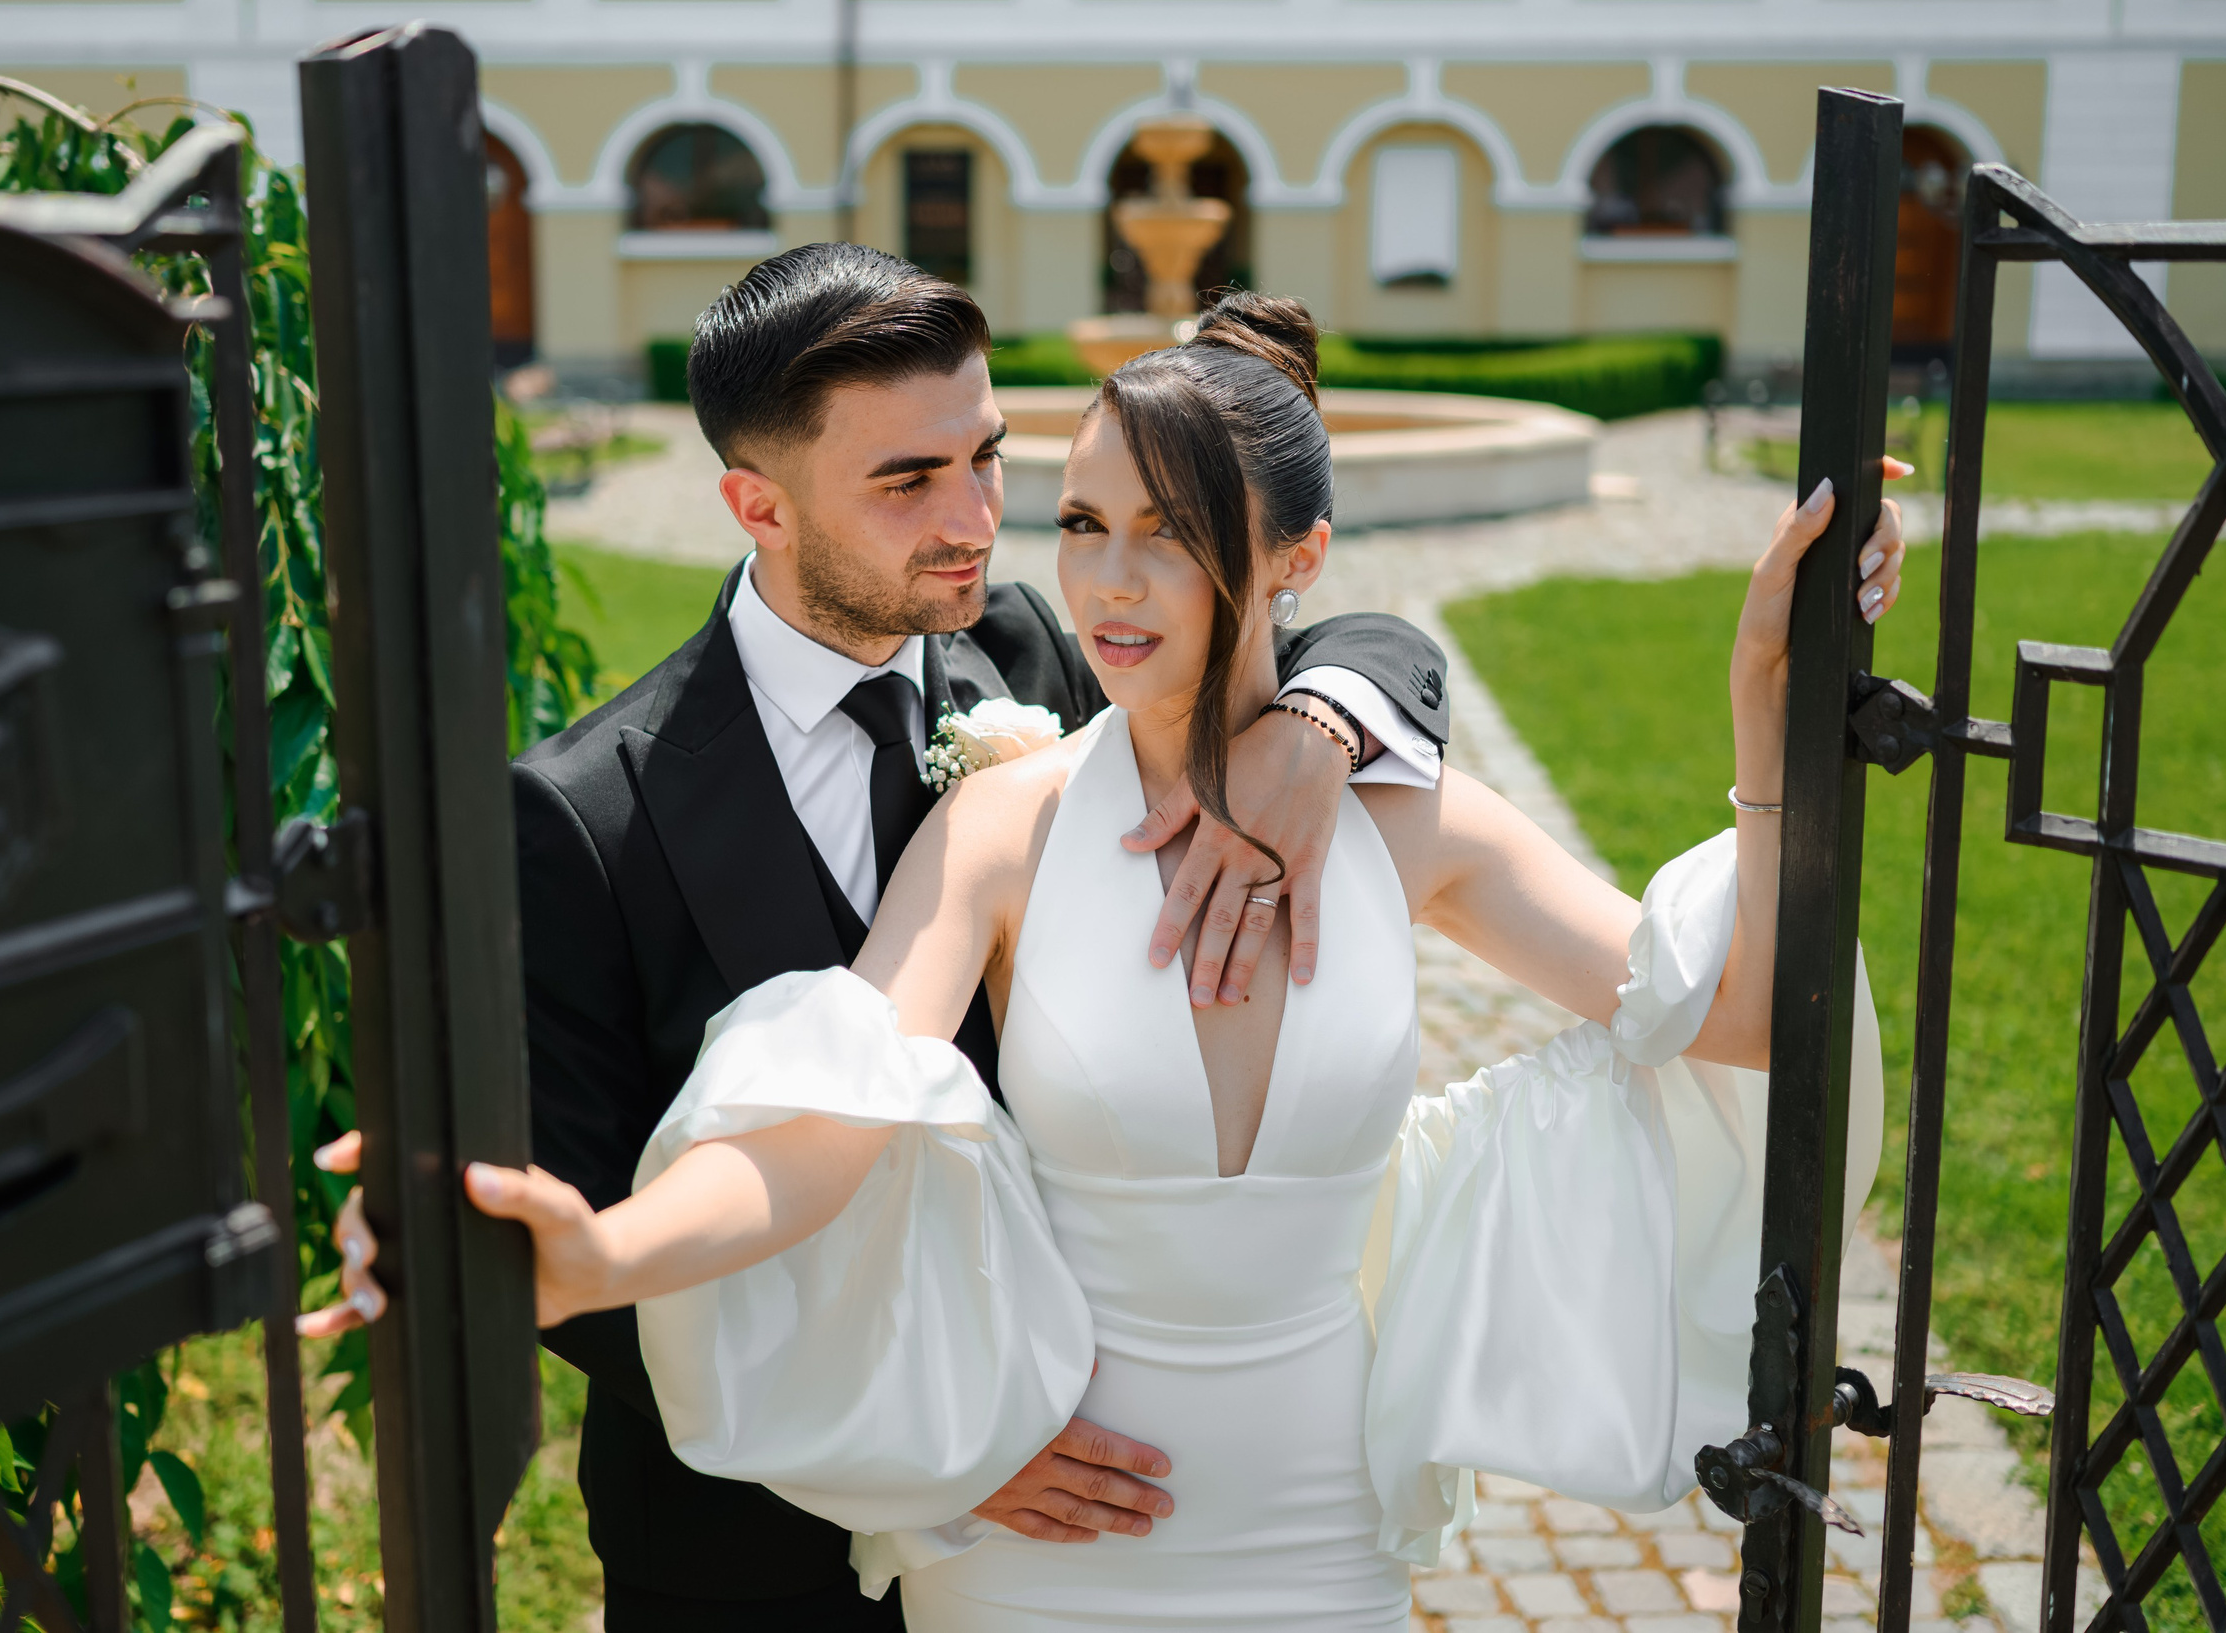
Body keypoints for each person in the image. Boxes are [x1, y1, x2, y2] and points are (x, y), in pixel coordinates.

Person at [325, 293, 1913, 1629]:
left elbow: (1745, 1015)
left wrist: (1761, 702)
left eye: (1168, 535)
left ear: (1296, 556)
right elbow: (827, 1122)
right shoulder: (1004, 820)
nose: (1102, 583)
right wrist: (607, 1252)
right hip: (1029, 1548)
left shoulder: (1403, 819)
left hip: (1323, 1525)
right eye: (1084, 525)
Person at [307, 250, 1454, 1631]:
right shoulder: (580, 816)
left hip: (1096, 1526)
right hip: (754, 1548)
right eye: (909, 483)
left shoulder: (1035, 650)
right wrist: (952, 1442)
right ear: (758, 505)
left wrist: (1331, 715)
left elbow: (1311, 619)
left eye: (989, 456)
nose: (978, 520)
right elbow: (616, 1255)